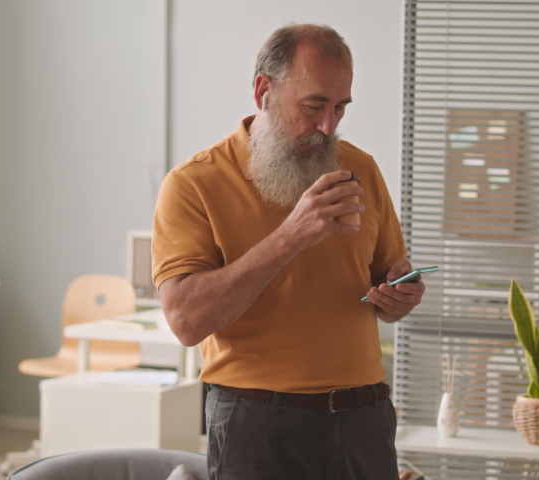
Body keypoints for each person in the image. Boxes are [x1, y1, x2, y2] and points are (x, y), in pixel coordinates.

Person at [152, 23, 425, 480]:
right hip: (258, 423)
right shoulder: (193, 184)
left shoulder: (361, 169)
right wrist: (291, 235)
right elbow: (185, 321)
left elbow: (385, 282)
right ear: (264, 90)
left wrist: (400, 297)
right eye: (315, 104)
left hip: (364, 419)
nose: (328, 125)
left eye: (340, 107)